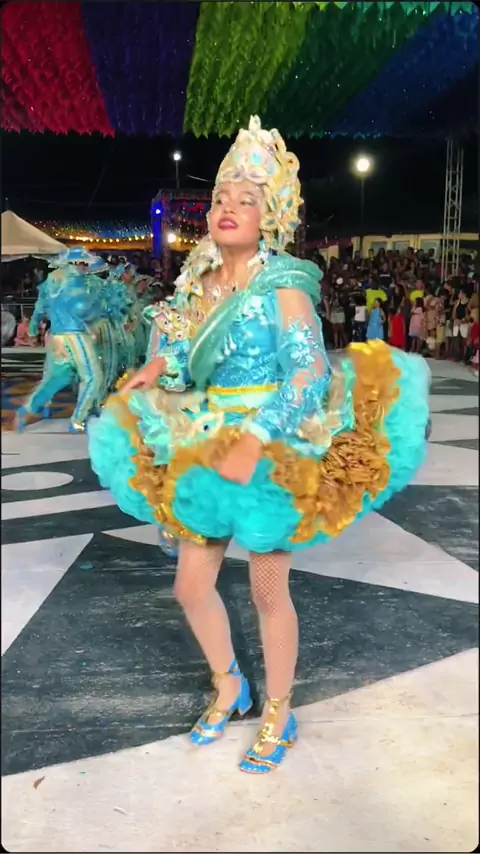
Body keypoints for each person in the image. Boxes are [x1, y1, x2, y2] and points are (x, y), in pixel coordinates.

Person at [88, 116, 430, 775]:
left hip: (270, 451)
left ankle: (279, 709)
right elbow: (190, 363)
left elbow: (309, 374)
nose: (227, 207)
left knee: (268, 592)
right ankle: (229, 686)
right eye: (220, 197)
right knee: (191, 587)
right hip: (206, 448)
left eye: (245, 200)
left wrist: (258, 439)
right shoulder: (200, 284)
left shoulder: (284, 283)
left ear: (268, 216)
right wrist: (159, 367)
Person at [13, 247, 106, 434]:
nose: (86, 267)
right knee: (93, 377)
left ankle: (27, 410)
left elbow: (40, 307)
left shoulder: (52, 280)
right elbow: (82, 309)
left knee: (59, 378)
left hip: (57, 337)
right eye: (83, 263)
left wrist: (33, 329)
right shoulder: (77, 280)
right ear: (74, 263)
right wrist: (97, 305)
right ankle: (78, 419)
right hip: (75, 335)